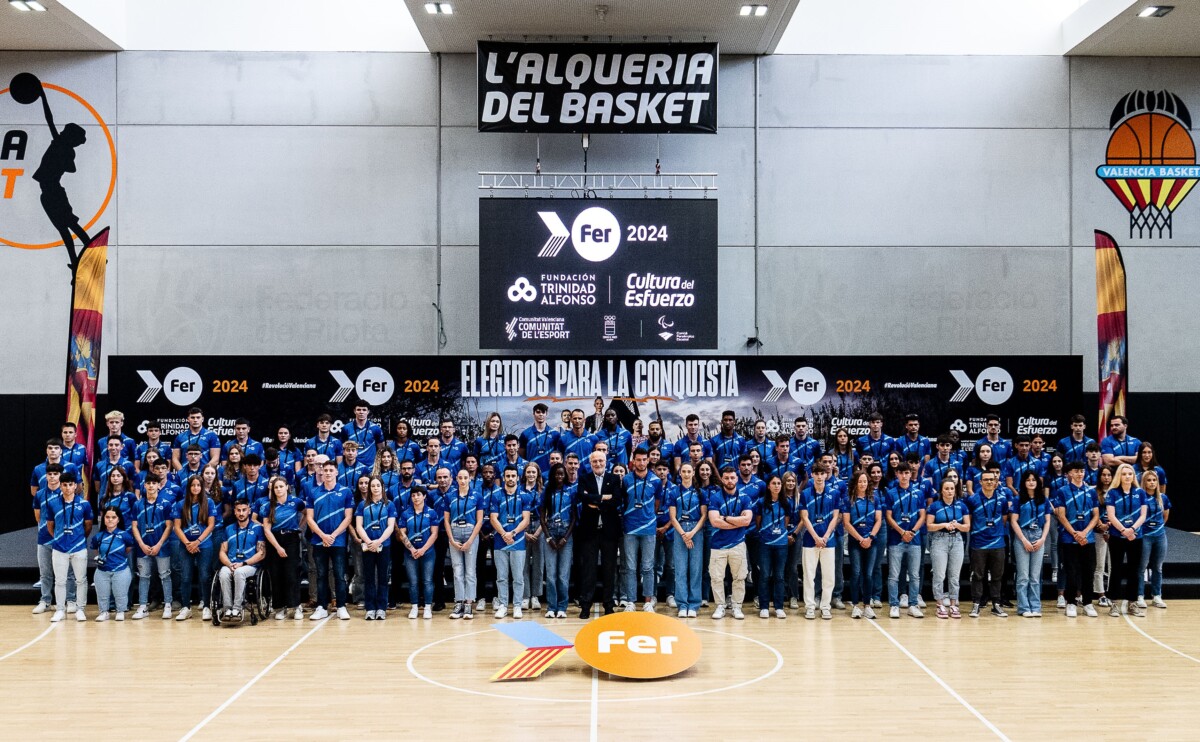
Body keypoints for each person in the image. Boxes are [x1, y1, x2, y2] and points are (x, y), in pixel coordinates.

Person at [305, 459, 354, 620]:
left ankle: (341, 606)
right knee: (321, 575)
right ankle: (321, 607)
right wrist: (323, 535)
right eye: (325, 470)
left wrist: (333, 535)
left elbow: (348, 517)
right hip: (319, 540)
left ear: (336, 472)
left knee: (339, 575)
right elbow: (310, 518)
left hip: (338, 541)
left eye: (330, 470)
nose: (327, 473)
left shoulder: (346, 492)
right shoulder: (313, 492)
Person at [577, 449, 623, 617]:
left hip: (609, 532)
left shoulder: (614, 479)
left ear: (606, 462)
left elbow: (617, 500)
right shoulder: (584, 478)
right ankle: (585, 605)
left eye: (600, 461)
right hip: (589, 532)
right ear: (590, 463)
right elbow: (582, 497)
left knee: (609, 569)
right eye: (594, 461)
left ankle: (608, 605)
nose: (598, 464)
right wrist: (604, 498)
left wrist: (595, 499)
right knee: (588, 569)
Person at [1053, 461, 1100, 618]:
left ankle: (1087, 603)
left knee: (1088, 572)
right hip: (1069, 538)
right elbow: (1061, 515)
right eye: (1077, 471)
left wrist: (1085, 533)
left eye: (1082, 471)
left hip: (1088, 539)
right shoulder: (1062, 491)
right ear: (1070, 474)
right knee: (1071, 572)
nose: (1080, 473)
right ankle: (1071, 603)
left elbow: (1096, 515)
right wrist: (1075, 533)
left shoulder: (1091, 492)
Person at [708, 465, 754, 620]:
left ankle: (736, 606)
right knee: (716, 577)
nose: (729, 480)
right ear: (722, 479)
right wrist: (737, 522)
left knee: (739, 577)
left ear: (737, 478)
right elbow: (714, 521)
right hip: (718, 545)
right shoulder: (715, 497)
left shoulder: (745, 497)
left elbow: (747, 520)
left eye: (732, 477)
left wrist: (726, 518)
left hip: (738, 544)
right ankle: (720, 606)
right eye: (726, 477)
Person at [47, 471, 92, 622]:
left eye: (70, 485)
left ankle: (80, 609)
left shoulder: (84, 504)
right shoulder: (53, 503)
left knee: (81, 580)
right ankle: (60, 609)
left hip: (79, 547)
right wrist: (59, 538)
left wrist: (78, 539)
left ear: (75, 486)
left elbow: (88, 526)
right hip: (59, 548)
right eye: (64, 485)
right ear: (60, 486)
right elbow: (50, 526)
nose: (67, 488)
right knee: (60, 581)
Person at [621, 448, 662, 612]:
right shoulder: (626, 480)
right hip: (630, 528)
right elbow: (624, 501)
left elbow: (657, 503)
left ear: (648, 460)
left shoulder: (656, 481)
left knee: (647, 567)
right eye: (638, 460)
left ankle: (647, 601)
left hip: (648, 528)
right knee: (630, 567)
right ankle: (630, 601)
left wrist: (649, 516)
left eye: (644, 459)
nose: (641, 463)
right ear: (633, 461)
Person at [1105, 463, 1148, 617]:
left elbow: (1143, 515)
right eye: (1124, 474)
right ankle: (1114, 604)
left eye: (1130, 473)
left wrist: (1132, 530)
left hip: (1136, 536)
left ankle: (1133, 603)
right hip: (1117, 536)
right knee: (1116, 569)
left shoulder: (1140, 492)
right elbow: (1111, 515)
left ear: (1133, 476)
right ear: (1119, 476)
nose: (1127, 476)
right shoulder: (1112, 493)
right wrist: (1124, 530)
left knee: (1134, 570)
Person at [966, 465, 1009, 618]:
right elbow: (969, 521)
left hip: (998, 543)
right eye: (986, 480)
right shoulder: (972, 499)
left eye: (992, 479)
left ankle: (996, 604)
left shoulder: (1002, 499)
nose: (990, 482)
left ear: (996, 482)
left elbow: (1004, 519)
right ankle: (976, 603)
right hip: (978, 543)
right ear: (980, 482)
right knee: (978, 575)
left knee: (997, 575)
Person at [172, 475, 217, 620]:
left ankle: (207, 607)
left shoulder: (209, 503)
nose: (195, 488)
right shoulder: (180, 504)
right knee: (185, 577)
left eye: (198, 485)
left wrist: (197, 541)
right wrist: (187, 544)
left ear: (202, 487)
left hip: (204, 544)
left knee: (204, 576)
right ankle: (186, 607)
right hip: (185, 545)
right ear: (189, 487)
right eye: (193, 485)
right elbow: (177, 527)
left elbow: (211, 525)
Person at [489, 465, 531, 618]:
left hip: (518, 541)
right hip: (500, 542)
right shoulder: (496, 495)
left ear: (518, 477)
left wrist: (512, 533)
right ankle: (503, 605)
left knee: (518, 577)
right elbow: (493, 518)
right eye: (508, 476)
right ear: (504, 477)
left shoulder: (525, 495)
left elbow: (526, 520)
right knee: (501, 576)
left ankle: (517, 605)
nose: (511, 479)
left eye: (513, 476)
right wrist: (504, 534)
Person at [262, 475, 306, 620]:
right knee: (276, 574)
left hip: (291, 539)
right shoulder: (269, 506)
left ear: (287, 487)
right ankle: (280, 607)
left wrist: (298, 528)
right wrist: (278, 547)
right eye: (276, 487)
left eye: (281, 486)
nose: (279, 489)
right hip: (274, 540)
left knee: (291, 573)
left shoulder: (296, 502)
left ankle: (296, 606)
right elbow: (267, 529)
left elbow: (307, 515)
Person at [667, 461, 707, 618]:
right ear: (680, 473)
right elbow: (672, 516)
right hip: (680, 530)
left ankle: (694, 604)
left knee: (696, 569)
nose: (686, 474)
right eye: (683, 471)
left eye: (689, 471)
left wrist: (692, 533)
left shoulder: (700, 492)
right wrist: (684, 534)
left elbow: (704, 515)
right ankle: (682, 604)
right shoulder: (674, 492)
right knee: (681, 569)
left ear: (693, 473)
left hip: (696, 530)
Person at [885, 463, 925, 619]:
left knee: (915, 575)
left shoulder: (918, 493)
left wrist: (913, 531)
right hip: (896, 539)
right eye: (901, 472)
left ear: (910, 474)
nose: (904, 475)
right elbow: (888, 516)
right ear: (897, 474)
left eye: (906, 472)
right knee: (894, 575)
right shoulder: (891, 493)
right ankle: (894, 605)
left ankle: (913, 604)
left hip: (914, 540)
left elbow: (922, 515)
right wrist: (902, 531)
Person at [926, 477, 969, 619]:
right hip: (939, 540)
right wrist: (944, 524)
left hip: (957, 540)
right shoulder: (935, 506)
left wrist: (957, 525)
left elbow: (967, 526)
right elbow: (929, 526)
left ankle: (953, 604)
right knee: (939, 574)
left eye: (952, 488)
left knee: (954, 576)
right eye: (946, 488)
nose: (950, 491)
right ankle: (939, 604)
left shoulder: (961, 506)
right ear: (941, 490)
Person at [131, 478, 174, 620]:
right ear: (144, 485)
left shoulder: (166, 504)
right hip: (143, 546)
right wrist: (141, 544)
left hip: (161, 546)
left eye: (153, 483)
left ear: (158, 485)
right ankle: (143, 606)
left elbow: (169, 526)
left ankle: (168, 604)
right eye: (148, 483)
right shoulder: (137, 504)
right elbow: (134, 526)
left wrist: (159, 544)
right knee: (143, 577)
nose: (151, 485)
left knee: (165, 575)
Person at [32, 463, 72, 614]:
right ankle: (46, 600)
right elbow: (38, 517)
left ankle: (70, 600)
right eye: (50, 474)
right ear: (46, 476)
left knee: (67, 573)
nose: (53, 477)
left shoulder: (67, 495)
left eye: (56, 474)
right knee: (45, 573)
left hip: (63, 540)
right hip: (44, 539)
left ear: (61, 475)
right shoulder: (40, 494)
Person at [355, 475, 396, 620]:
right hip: (367, 546)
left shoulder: (389, 505)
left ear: (382, 487)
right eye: (373, 486)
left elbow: (391, 526)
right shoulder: (362, 505)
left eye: (378, 485)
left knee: (383, 577)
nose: (375, 488)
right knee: (369, 577)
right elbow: (358, 526)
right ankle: (370, 608)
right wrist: (368, 541)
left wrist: (379, 541)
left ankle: (382, 608)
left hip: (383, 545)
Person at [216, 499, 266, 619]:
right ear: (234, 512)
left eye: (244, 510)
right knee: (223, 572)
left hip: (249, 565)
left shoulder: (258, 528)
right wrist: (229, 564)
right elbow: (222, 552)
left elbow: (262, 553)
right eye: (238, 510)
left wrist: (243, 563)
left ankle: (237, 608)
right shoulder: (229, 529)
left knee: (239, 572)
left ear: (249, 511)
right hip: (232, 564)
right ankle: (227, 608)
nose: (241, 513)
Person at [1011, 470, 1051, 618]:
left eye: (1034, 480)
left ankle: (1035, 606)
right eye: (1028, 480)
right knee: (1023, 576)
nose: (1031, 482)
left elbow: (1047, 521)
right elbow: (1014, 520)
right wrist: (1023, 540)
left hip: (1038, 535)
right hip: (1023, 535)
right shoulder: (1018, 499)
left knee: (1035, 576)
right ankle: (1023, 607)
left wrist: (1042, 539)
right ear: (1024, 482)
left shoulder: (1044, 500)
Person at [446, 468, 484, 620]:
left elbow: (480, 520)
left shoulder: (477, 496)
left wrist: (470, 540)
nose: (462, 480)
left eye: (465, 477)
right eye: (460, 477)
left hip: (470, 533)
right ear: (456, 479)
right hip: (454, 532)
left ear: (470, 479)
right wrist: (451, 539)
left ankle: (469, 603)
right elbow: (446, 520)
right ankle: (459, 602)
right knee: (457, 570)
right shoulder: (450, 496)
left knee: (470, 570)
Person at [842, 471, 881, 619]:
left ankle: (867, 606)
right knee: (856, 573)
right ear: (855, 483)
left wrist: (870, 537)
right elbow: (846, 523)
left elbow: (878, 520)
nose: (863, 484)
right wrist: (860, 539)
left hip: (872, 540)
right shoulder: (848, 500)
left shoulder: (874, 499)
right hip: (855, 541)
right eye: (860, 481)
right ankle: (856, 605)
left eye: (865, 481)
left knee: (868, 574)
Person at [541, 463, 576, 619]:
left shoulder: (571, 491)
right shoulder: (547, 491)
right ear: (553, 475)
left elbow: (575, 517)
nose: (559, 477)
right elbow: (542, 518)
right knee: (550, 574)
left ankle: (562, 606)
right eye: (557, 474)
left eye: (562, 474)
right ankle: (551, 606)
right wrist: (548, 537)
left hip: (565, 534)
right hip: (550, 532)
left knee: (563, 574)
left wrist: (565, 538)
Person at [90, 507, 135, 621]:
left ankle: (120, 611)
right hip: (102, 571)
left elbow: (128, 549)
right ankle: (104, 612)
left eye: (113, 517)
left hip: (121, 570)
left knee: (121, 593)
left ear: (118, 520)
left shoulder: (125, 535)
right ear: (103, 519)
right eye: (107, 517)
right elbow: (96, 550)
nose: (110, 520)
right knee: (102, 594)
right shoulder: (98, 537)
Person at [756, 474, 791, 619]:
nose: (777, 485)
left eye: (778, 483)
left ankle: (778, 606)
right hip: (765, 543)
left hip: (781, 544)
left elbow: (786, 523)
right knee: (764, 575)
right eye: (773, 483)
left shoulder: (786, 503)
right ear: (768, 486)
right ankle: (764, 606)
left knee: (779, 576)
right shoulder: (760, 503)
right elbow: (758, 523)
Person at [1138, 469, 1170, 610]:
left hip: (1160, 535)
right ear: (1144, 482)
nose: (1152, 483)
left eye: (1154, 480)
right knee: (1141, 567)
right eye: (1149, 480)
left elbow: (1165, 516)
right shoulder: (1140, 496)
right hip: (1145, 535)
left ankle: (1157, 595)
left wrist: (1158, 529)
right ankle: (1139, 595)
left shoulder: (1163, 497)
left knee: (1157, 567)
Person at [520, 461, 546, 611]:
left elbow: (547, 513)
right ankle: (525, 596)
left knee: (538, 563)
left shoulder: (543, 490)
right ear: (524, 474)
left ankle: (535, 596)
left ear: (538, 474)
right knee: (523, 564)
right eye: (528, 472)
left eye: (533, 472)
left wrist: (537, 532)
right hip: (523, 527)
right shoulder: (519, 490)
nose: (531, 475)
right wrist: (524, 532)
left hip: (539, 526)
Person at [1093, 465, 1115, 608]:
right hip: (1098, 531)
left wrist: (1111, 527)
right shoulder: (1095, 492)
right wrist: (1101, 526)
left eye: (1109, 475)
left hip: (1115, 531)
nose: (1106, 478)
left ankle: (1111, 593)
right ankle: (1100, 594)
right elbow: (1093, 511)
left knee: (1113, 566)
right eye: (1104, 475)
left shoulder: (1116, 492)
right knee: (1099, 564)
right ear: (1100, 476)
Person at [343, 400, 384, 470]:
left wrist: (378, 466)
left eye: (364, 410)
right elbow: (342, 449)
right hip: (352, 467)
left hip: (371, 467)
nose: (361, 412)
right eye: (358, 410)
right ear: (354, 411)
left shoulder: (375, 428)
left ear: (368, 412)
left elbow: (381, 449)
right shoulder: (346, 428)